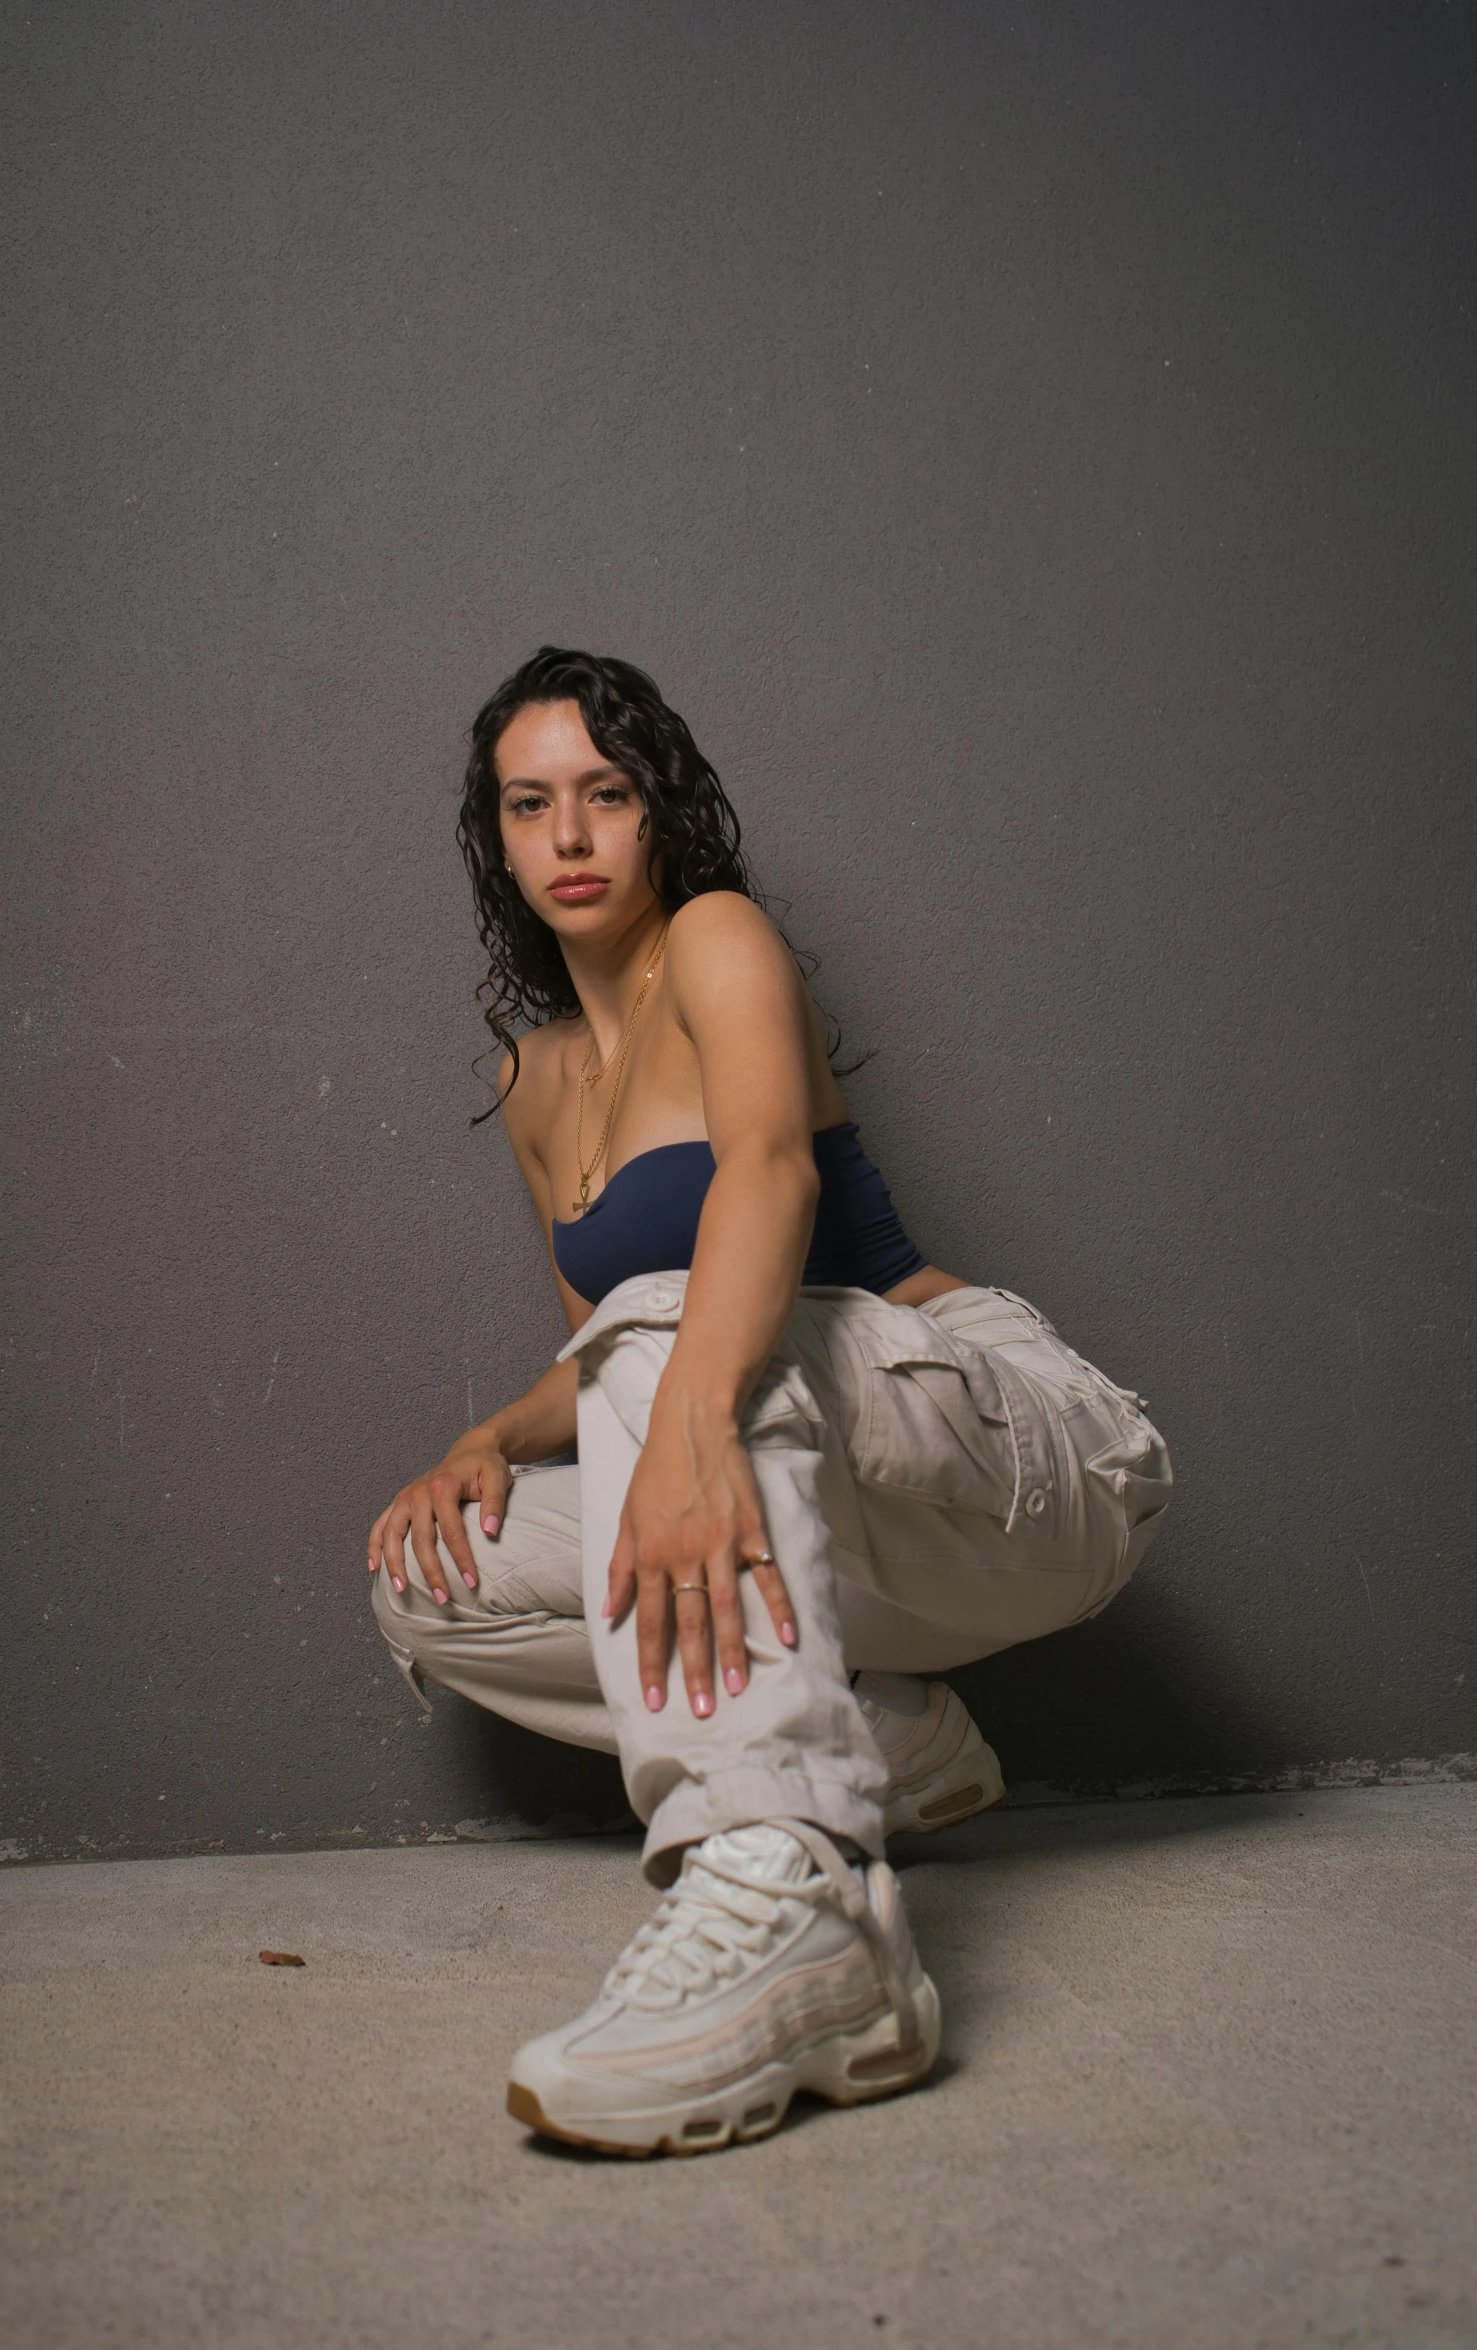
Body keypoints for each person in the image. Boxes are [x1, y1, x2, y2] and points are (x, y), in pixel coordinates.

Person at [367, 648, 1172, 2156]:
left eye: (604, 794)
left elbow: (769, 1172)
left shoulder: (719, 940)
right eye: (529, 804)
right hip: (824, 1495)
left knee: (673, 1335)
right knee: (437, 1579)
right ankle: (882, 1731)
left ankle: (793, 1901)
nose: (571, 835)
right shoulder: (535, 1081)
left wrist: (684, 1420)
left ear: (655, 811)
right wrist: (484, 1440)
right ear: (497, 838)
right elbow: (603, 1349)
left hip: (1019, 1443)